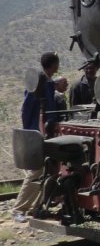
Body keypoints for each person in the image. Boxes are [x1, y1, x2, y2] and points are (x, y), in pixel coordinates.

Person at [12, 52, 59, 223]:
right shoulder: (38, 82)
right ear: (54, 65)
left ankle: (35, 207)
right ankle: (19, 209)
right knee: (35, 171)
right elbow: (26, 109)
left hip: (46, 132)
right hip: (36, 133)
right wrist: (29, 132)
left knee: (45, 170)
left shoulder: (46, 81)